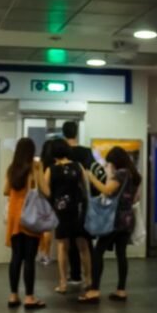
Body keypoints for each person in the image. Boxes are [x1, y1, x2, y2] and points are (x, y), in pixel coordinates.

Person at [79, 147, 142, 304]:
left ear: (115, 161)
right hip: (127, 219)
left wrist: (91, 177)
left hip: (114, 219)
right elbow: (134, 199)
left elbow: (107, 191)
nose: (109, 165)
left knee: (98, 251)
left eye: (110, 162)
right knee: (121, 254)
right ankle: (121, 290)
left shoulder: (121, 173)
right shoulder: (134, 175)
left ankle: (94, 290)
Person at [3, 138, 47, 310]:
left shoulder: (12, 169)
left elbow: (6, 190)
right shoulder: (34, 168)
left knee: (16, 257)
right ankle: (29, 297)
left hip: (15, 218)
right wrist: (41, 169)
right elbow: (45, 190)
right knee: (29, 259)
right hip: (31, 217)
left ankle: (13, 296)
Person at [62, 121, 106, 285]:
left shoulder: (63, 153)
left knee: (71, 240)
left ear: (63, 133)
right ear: (76, 133)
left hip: (67, 201)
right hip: (85, 200)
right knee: (85, 240)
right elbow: (93, 173)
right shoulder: (87, 152)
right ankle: (90, 275)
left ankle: (75, 275)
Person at [46, 138, 92, 293]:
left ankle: (63, 283)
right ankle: (88, 280)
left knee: (62, 246)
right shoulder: (78, 166)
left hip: (61, 211)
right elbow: (86, 188)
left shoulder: (50, 170)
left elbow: (46, 192)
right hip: (78, 209)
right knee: (83, 246)